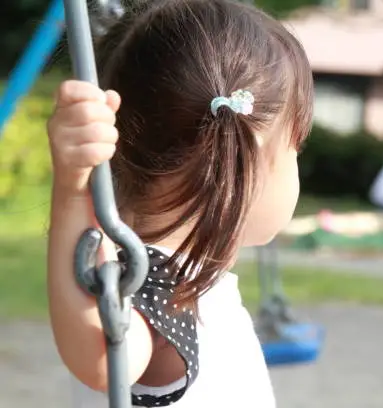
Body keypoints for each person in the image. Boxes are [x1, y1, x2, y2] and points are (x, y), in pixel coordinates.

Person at [46, 1, 313, 407]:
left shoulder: (177, 280)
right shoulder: (155, 282)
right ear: (243, 156)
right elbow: (103, 357)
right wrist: (71, 192)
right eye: (296, 148)